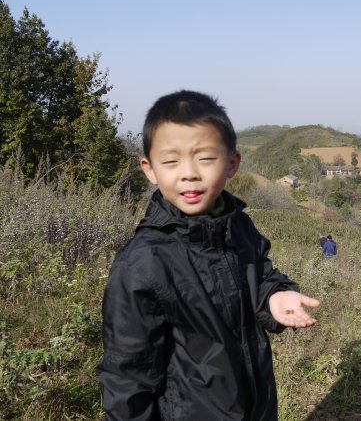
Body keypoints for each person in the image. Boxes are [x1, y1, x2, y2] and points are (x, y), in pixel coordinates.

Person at [97, 90, 320, 420]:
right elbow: (128, 376)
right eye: (171, 161)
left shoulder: (237, 225)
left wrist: (272, 294)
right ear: (150, 169)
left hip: (255, 406)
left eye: (205, 158)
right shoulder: (143, 264)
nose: (189, 173)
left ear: (232, 163)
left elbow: (258, 273)